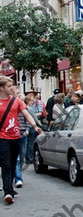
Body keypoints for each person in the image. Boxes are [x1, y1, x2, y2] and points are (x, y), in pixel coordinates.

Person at [0, 76, 43, 204]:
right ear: (1, 87)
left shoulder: (16, 101)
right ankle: (8, 192)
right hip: (2, 137)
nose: (11, 88)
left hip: (15, 137)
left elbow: (27, 114)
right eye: (8, 86)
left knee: (14, 163)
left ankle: (10, 189)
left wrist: (35, 126)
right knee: (6, 164)